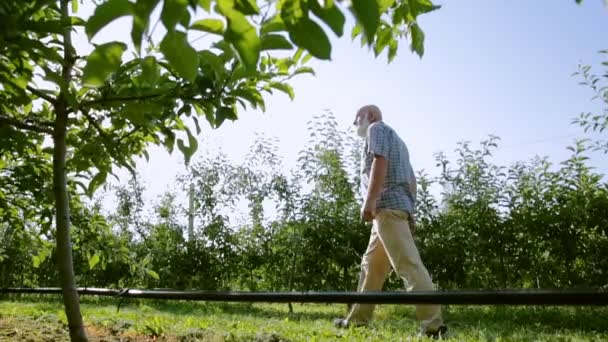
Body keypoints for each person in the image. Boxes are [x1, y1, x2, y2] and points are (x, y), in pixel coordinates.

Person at [333, 105, 449, 339]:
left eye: (357, 120)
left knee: (408, 264)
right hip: (390, 211)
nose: (355, 126)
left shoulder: (376, 129)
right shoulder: (398, 141)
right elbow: (411, 180)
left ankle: (434, 327)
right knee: (371, 266)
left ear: (371, 116)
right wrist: (409, 211)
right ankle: (357, 322)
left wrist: (370, 200)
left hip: (386, 208)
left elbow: (379, 162)